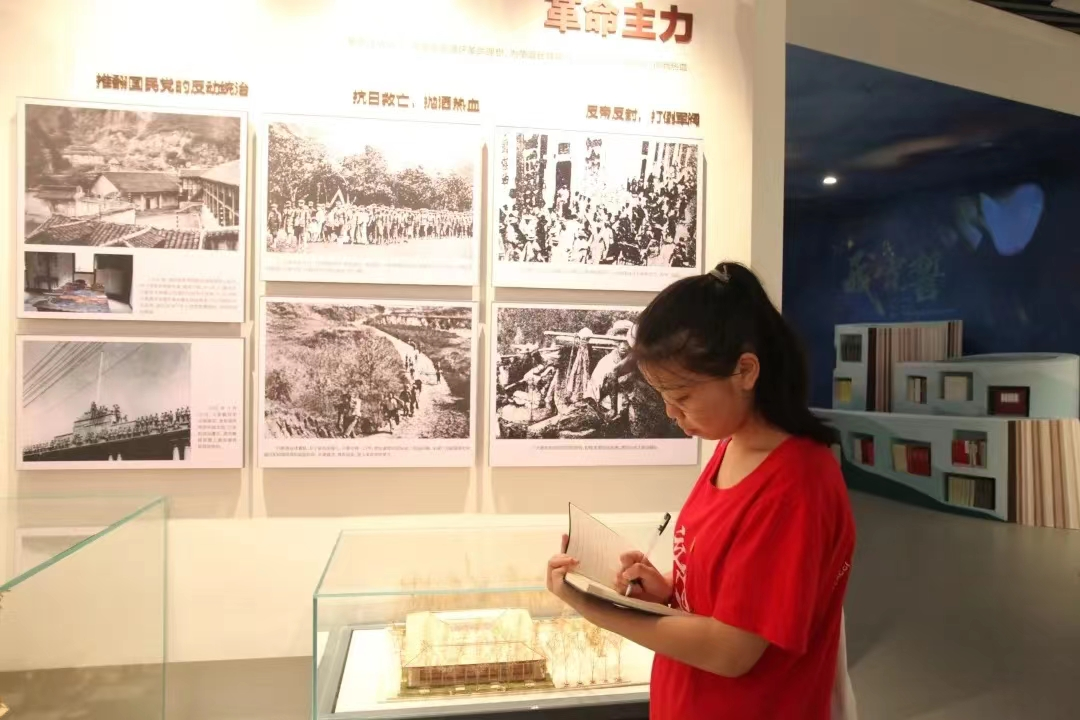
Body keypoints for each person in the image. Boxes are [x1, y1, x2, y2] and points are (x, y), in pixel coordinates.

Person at [546, 261, 856, 720]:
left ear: (745, 371)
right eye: (662, 397)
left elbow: (732, 649)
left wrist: (595, 608)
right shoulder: (731, 446)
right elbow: (730, 595)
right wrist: (667, 592)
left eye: (683, 397)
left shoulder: (796, 485)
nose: (672, 414)